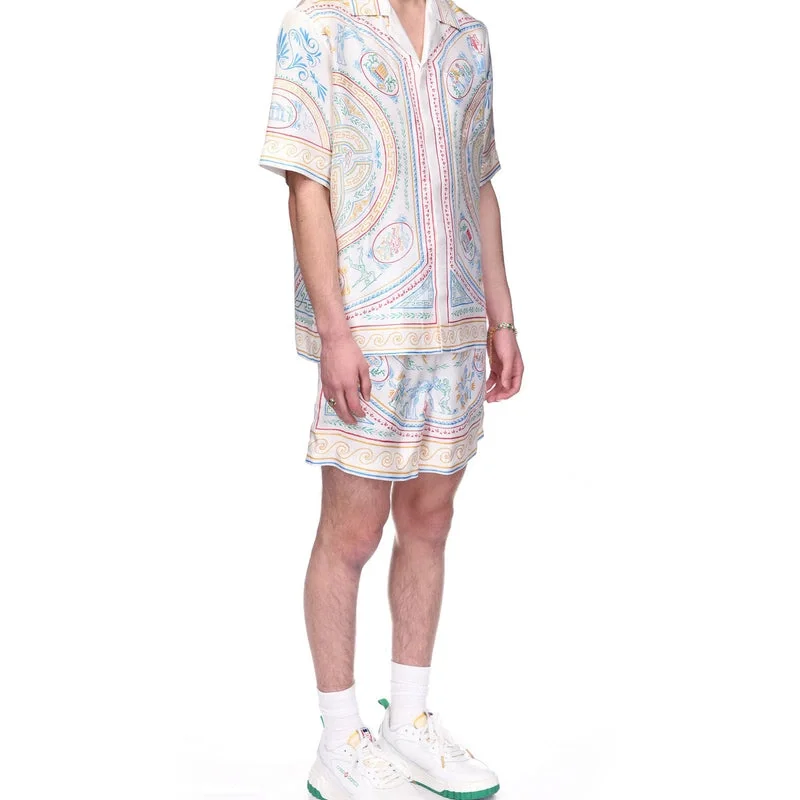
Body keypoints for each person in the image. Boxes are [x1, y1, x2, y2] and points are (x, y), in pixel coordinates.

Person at [259, 0, 523, 796]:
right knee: (352, 531)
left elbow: (479, 186)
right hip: (371, 326)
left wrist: (502, 318)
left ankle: (408, 720)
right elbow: (306, 186)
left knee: (430, 523)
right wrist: (334, 331)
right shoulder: (319, 26)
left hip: (455, 323)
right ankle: (339, 737)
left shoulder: (469, 37)